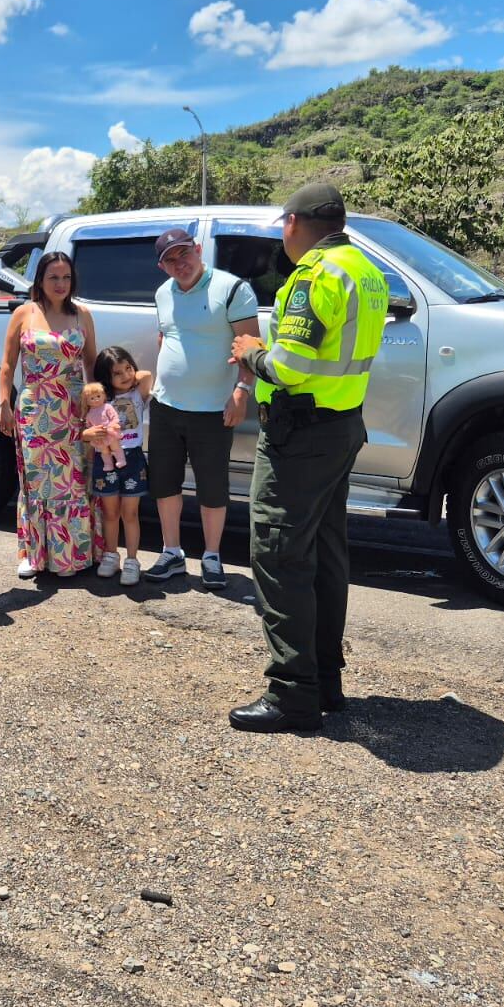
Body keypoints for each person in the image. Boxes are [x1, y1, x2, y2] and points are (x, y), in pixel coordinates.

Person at [228, 183, 388, 733]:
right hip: (341, 427)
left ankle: (293, 692)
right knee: (325, 554)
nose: (282, 235)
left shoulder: (316, 275)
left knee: (279, 554)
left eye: (282, 226)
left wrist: (251, 353)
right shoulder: (364, 269)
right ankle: (325, 680)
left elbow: (289, 367)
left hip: (299, 437)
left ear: (295, 222)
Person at [143, 228, 261, 590]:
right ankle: (172, 552)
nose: (179, 264)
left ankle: (211, 556)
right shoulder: (164, 293)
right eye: (170, 260)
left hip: (213, 410)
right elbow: (167, 336)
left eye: (183, 254)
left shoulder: (231, 289)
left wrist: (242, 391)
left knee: (213, 486)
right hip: (166, 406)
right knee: (164, 482)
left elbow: (252, 344)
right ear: (162, 267)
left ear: (197, 249)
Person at [0, 251, 97, 578]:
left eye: (66, 277)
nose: (60, 284)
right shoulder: (24, 313)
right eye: (53, 277)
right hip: (35, 406)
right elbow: (8, 364)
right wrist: (3, 404)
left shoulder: (82, 314)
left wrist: (95, 404)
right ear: (40, 279)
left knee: (73, 482)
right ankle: (32, 554)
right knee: (37, 483)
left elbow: (91, 363)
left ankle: (74, 556)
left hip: (72, 408)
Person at [89, 346, 153, 586]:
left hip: (133, 459)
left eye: (128, 368)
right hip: (105, 460)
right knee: (110, 512)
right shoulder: (100, 402)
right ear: (106, 378)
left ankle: (132, 560)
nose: (126, 375)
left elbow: (145, 375)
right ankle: (111, 555)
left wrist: (129, 374)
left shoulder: (138, 394)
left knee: (131, 513)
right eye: (117, 373)